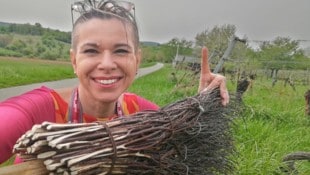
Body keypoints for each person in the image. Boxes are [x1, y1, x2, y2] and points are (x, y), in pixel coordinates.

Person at [0, 0, 229, 164]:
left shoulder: (140, 113)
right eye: (91, 51)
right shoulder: (37, 111)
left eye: (121, 50)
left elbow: (183, 147)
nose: (107, 63)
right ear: (74, 60)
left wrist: (200, 105)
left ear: (137, 60)